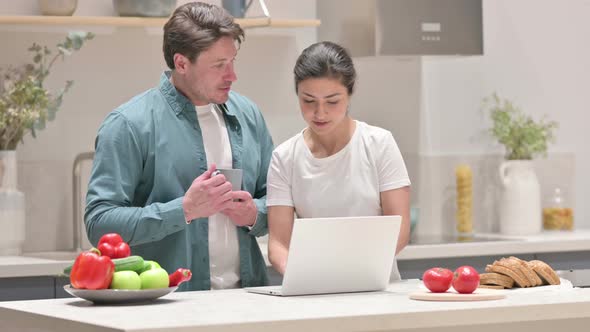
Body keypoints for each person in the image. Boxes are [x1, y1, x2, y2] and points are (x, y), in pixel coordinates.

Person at [85, 2, 273, 291]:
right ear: (182, 63)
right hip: (166, 305)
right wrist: (183, 209)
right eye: (219, 65)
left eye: (233, 61)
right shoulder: (128, 124)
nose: (232, 75)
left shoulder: (249, 115)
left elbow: (277, 201)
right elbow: (99, 223)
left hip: (247, 300)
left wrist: (253, 215)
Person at [267, 41, 411, 280]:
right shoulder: (285, 157)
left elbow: (400, 229)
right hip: (313, 289)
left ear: (350, 93)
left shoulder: (379, 144)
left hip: (376, 287)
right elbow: (279, 244)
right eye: (308, 101)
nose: (320, 113)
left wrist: (353, 272)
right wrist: (302, 276)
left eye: (332, 101)